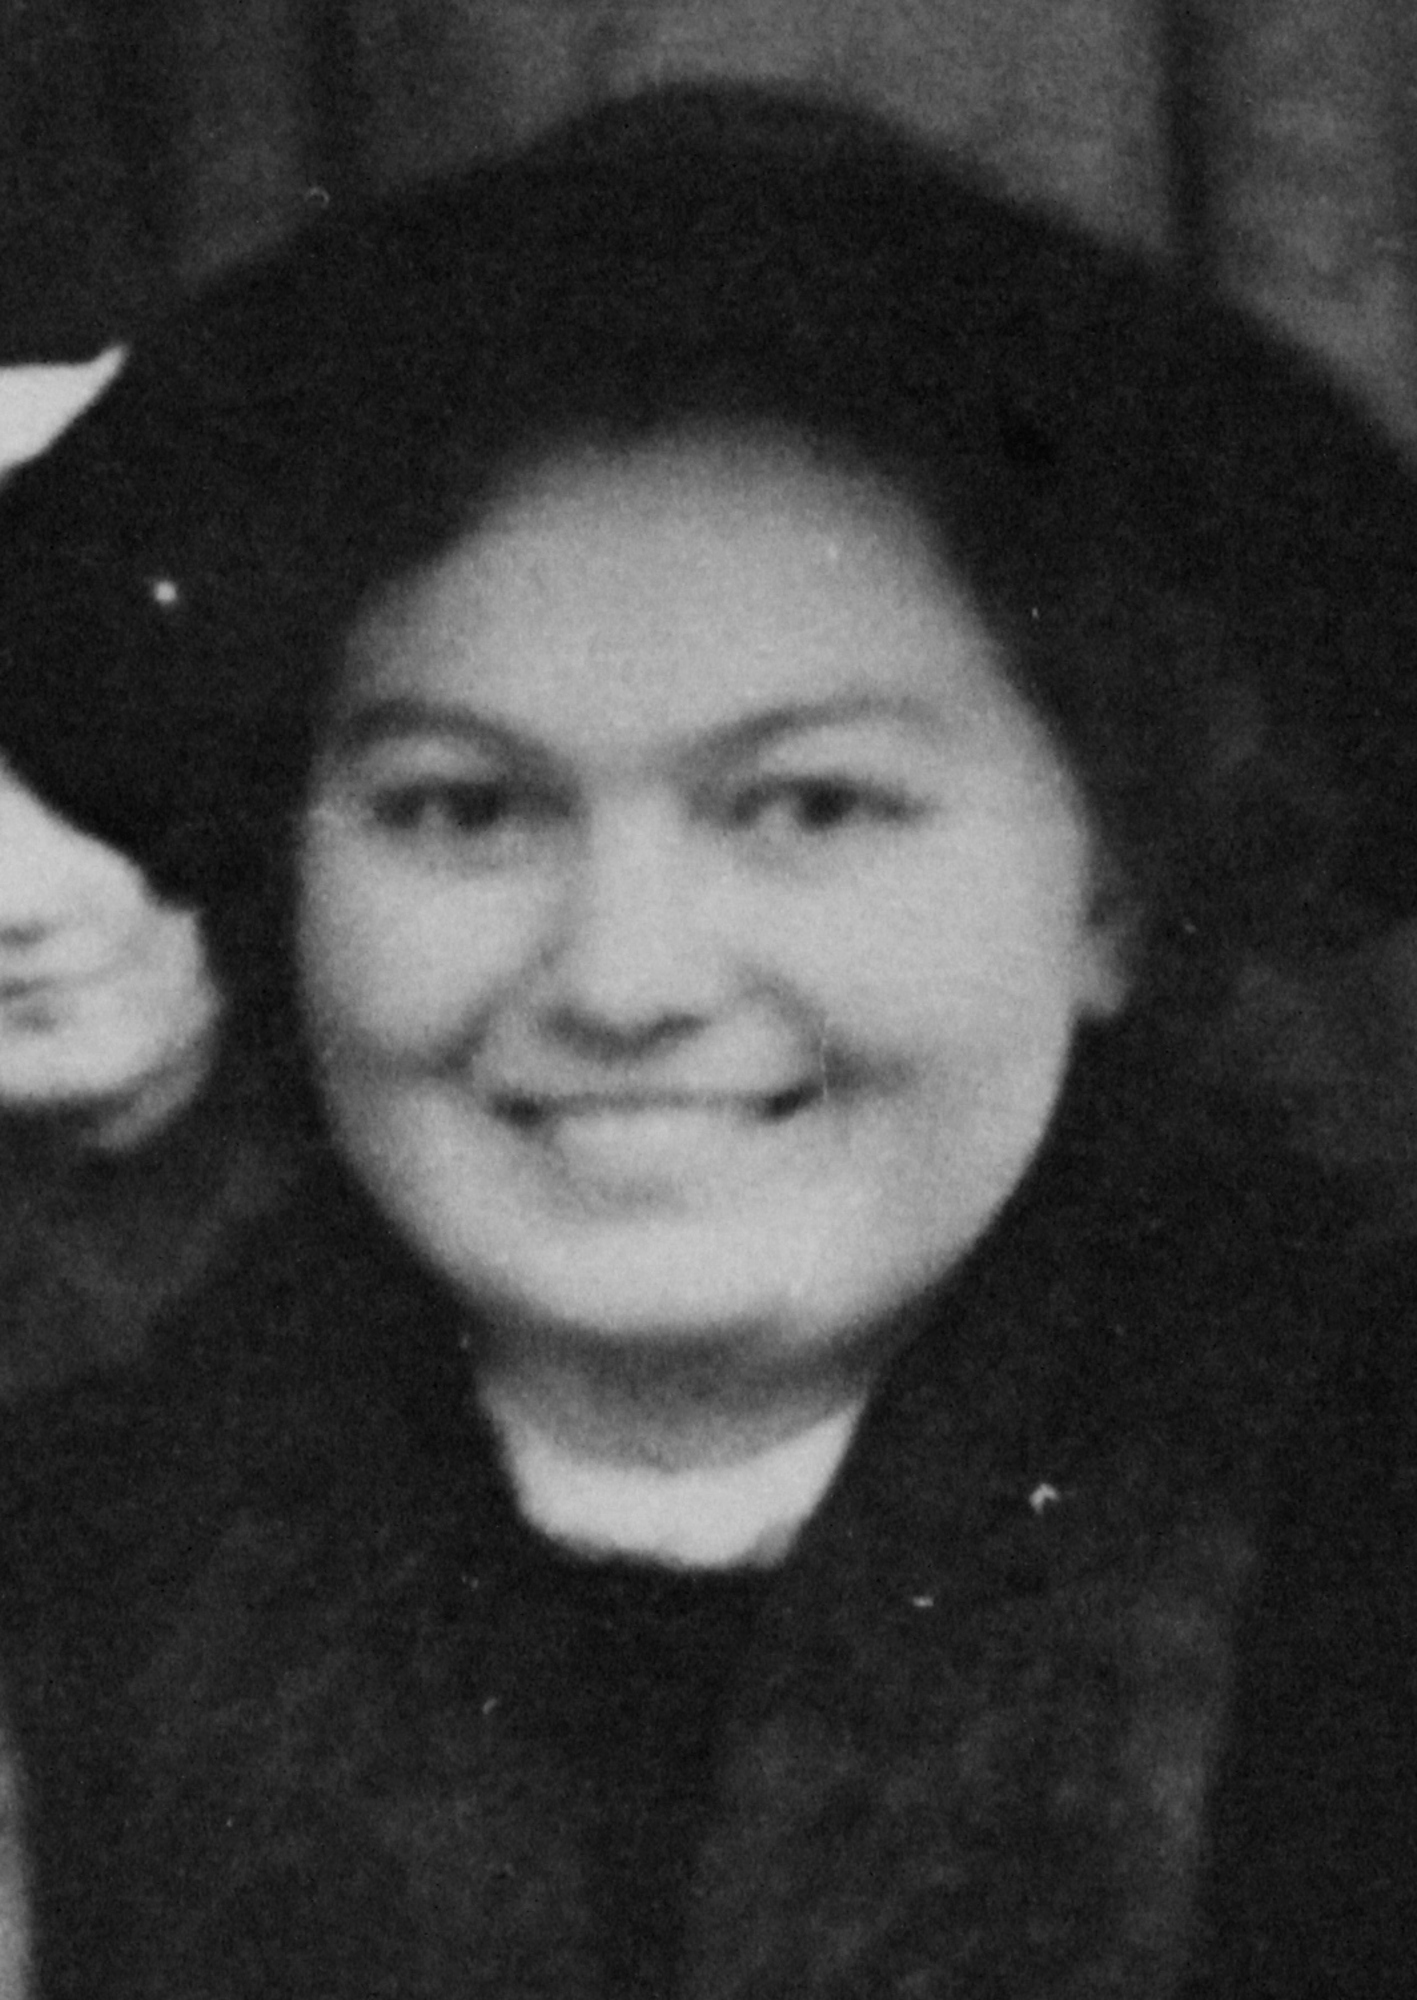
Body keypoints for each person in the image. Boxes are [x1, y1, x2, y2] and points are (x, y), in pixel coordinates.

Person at [1, 79, 1414, 2000]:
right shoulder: (63, 1583)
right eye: (459, 807)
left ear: (1111, 890)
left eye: (809, 804)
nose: (623, 978)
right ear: (287, 885)